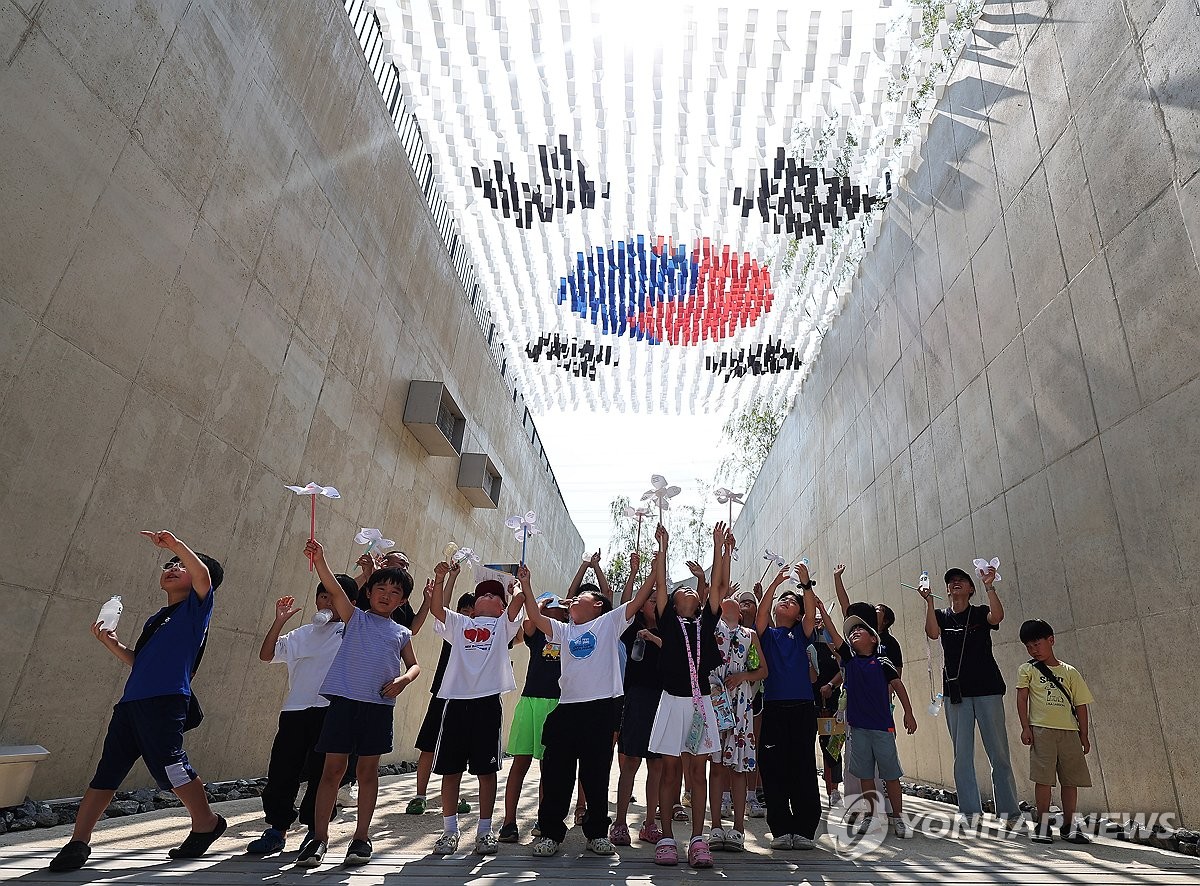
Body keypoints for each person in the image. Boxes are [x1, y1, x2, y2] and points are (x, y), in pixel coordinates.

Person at [49, 531, 225, 872]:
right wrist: (111, 644)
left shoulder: (196, 609)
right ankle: (78, 842)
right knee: (107, 772)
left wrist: (175, 545)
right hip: (131, 704)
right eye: (169, 564)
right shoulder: (156, 618)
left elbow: (202, 575)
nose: (173, 567)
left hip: (166, 701)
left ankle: (207, 822)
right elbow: (140, 661)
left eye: (181, 565)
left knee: (172, 766)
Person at [521, 533, 661, 859]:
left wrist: (655, 567)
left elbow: (639, 599)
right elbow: (537, 618)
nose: (570, 603)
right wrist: (526, 586)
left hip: (602, 708)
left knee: (596, 773)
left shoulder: (609, 624)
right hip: (567, 709)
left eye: (578, 599)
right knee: (557, 774)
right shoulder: (565, 630)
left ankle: (597, 832)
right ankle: (552, 832)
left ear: (596, 604)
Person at [297, 539, 420, 867]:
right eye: (381, 588)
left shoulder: (400, 632)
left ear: (403, 600)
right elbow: (335, 590)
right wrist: (321, 559)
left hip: (378, 708)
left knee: (367, 772)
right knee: (331, 771)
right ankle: (318, 837)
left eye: (396, 592)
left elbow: (415, 665)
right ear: (369, 591)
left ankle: (361, 837)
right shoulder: (354, 617)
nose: (386, 595)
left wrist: (403, 680)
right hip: (344, 704)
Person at [247, 576, 358, 855]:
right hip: (295, 710)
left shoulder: (352, 631)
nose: (328, 602)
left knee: (323, 776)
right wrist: (279, 621)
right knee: (282, 772)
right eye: (323, 596)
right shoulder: (301, 634)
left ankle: (315, 830)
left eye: (335, 597)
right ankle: (276, 829)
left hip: (330, 711)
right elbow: (266, 654)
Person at [429, 564, 526, 856]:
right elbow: (437, 609)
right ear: (472, 608)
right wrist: (442, 577)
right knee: (451, 770)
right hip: (456, 702)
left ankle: (485, 831)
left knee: (486, 770)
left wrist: (517, 585)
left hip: (487, 703)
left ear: (501, 609)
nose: (487, 597)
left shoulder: (503, 626)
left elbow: (518, 602)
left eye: (495, 597)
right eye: (482, 595)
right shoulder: (460, 624)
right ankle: (449, 831)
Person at [648, 522, 725, 869]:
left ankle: (697, 839)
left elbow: (719, 588)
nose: (688, 593)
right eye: (683, 592)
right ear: (675, 605)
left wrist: (719, 546)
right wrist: (663, 549)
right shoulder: (667, 621)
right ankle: (666, 837)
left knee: (697, 774)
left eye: (693, 591)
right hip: (672, 701)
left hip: (701, 703)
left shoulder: (706, 622)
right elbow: (661, 584)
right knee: (670, 771)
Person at [921, 565, 1019, 822]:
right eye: (951, 581)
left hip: (988, 689)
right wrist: (929, 601)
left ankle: (1009, 811)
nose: (955, 583)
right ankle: (969, 811)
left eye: (961, 580)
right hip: (957, 693)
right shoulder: (942, 615)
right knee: (961, 755)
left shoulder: (980, 612)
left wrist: (990, 586)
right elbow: (932, 633)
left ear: (970, 588)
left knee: (998, 752)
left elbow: (997, 617)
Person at [820, 605, 918, 838]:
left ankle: (898, 818)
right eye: (851, 632)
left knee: (891, 774)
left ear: (874, 639)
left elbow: (898, 685)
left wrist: (909, 712)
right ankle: (872, 817)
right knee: (865, 775)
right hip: (858, 729)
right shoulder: (849, 661)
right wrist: (823, 610)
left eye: (859, 630)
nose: (853, 633)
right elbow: (833, 633)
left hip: (883, 728)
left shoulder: (884, 662)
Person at [754, 561, 822, 851]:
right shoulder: (767, 634)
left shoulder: (803, 633)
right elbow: (760, 616)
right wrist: (774, 584)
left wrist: (804, 584)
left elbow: (810, 612)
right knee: (773, 768)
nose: (786, 601)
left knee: (803, 766)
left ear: (798, 614)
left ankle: (805, 830)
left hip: (803, 708)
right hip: (774, 708)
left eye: (792, 601)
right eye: (783, 599)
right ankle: (781, 828)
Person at [707, 548, 767, 853]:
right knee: (717, 766)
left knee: (740, 766)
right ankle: (715, 826)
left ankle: (739, 829)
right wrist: (724, 552)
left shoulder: (749, 634)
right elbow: (717, 587)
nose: (730, 598)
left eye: (736, 600)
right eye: (726, 597)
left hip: (742, 704)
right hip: (717, 701)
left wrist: (743, 677)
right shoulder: (713, 629)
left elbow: (762, 670)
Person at [1016, 619, 1094, 844]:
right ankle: (1042, 825)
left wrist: (1084, 735)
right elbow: (1022, 698)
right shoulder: (1027, 669)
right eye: (1029, 647)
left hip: (1069, 732)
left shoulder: (1070, 672)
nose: (1033, 650)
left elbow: (1081, 705)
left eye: (1037, 644)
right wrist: (1025, 727)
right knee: (1043, 780)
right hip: (1041, 731)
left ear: (1051, 640)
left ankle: (1069, 826)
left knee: (1071, 780)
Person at [498, 593, 568, 843]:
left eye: (557, 608)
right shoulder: (537, 634)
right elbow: (528, 624)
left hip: (558, 704)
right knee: (520, 763)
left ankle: (544, 818)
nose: (552, 612)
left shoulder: (569, 634)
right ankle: (508, 822)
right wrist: (539, 606)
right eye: (549, 608)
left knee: (548, 767)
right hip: (530, 701)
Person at [408, 562, 474, 817]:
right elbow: (440, 608)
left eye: (473, 612)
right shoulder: (452, 628)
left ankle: (452, 797)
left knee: (459, 750)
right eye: (464, 611)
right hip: (443, 694)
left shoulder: (481, 635)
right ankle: (420, 795)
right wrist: (451, 577)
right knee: (429, 745)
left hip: (468, 698)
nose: (468, 615)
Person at [611, 552, 665, 846]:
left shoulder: (671, 628)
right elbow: (626, 605)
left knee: (656, 765)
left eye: (659, 600)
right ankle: (620, 823)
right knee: (629, 761)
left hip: (663, 699)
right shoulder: (630, 627)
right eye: (652, 599)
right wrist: (638, 571)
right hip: (636, 699)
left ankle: (650, 824)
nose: (655, 603)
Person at [809, 609, 845, 807]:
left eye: (820, 620)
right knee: (806, 747)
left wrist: (831, 685)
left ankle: (834, 790)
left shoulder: (835, 645)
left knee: (832, 748)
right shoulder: (806, 645)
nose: (818, 623)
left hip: (832, 705)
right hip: (809, 704)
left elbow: (844, 669)